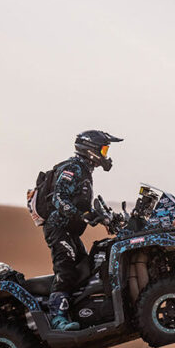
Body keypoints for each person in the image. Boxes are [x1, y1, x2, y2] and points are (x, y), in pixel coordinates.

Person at [43, 130, 122, 331]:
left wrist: (104, 217)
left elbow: (84, 203)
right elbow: (58, 198)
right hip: (58, 229)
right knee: (66, 269)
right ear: (91, 150)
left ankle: (82, 313)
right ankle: (58, 319)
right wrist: (81, 215)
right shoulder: (73, 168)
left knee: (85, 269)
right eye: (103, 149)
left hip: (70, 231)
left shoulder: (84, 171)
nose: (105, 155)